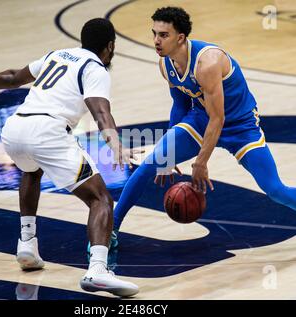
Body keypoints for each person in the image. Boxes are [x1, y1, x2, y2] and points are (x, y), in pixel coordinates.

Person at [0, 18, 139, 297]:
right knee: (100, 199)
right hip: (47, 131)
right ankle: (98, 270)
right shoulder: (95, 69)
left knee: (32, 171)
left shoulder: (57, 55)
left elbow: (14, 77)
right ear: (109, 46)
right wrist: (114, 141)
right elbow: (100, 111)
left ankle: (27, 243)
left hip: (15, 129)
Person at [111, 6, 296, 245]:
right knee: (151, 164)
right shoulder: (165, 64)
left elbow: (218, 118)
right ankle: (111, 227)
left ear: (180, 38)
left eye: (163, 35)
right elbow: (180, 105)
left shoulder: (207, 63)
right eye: (154, 33)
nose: (156, 40)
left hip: (239, 125)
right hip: (200, 119)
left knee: (274, 190)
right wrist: (170, 156)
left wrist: (201, 161)